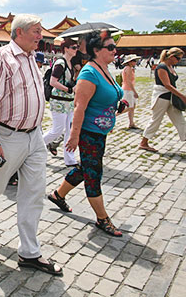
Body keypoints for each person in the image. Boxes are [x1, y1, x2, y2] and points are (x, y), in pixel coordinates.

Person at [0, 14, 63, 276]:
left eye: (41, 31)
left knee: (34, 192)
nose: (41, 36)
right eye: (36, 31)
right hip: (8, 136)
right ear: (19, 33)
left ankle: (29, 252)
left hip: (34, 136)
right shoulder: (1, 57)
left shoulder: (32, 59)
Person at [47, 31, 124, 237]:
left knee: (86, 166)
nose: (115, 50)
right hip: (88, 132)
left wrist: (119, 103)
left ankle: (57, 195)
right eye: (110, 47)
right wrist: (73, 136)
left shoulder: (105, 69)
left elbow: (107, 95)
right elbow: (79, 107)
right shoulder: (89, 73)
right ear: (96, 51)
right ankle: (102, 218)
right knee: (94, 174)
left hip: (101, 130)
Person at [139, 48, 186, 154]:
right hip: (162, 97)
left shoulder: (170, 66)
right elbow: (167, 85)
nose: (179, 61)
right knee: (156, 120)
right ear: (171, 57)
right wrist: (182, 96)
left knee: (180, 121)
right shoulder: (161, 67)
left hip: (171, 98)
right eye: (178, 58)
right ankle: (143, 142)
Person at [43, 38, 79, 167]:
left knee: (69, 131)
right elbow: (53, 82)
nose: (76, 50)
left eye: (76, 47)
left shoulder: (70, 63)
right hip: (58, 101)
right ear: (66, 49)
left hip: (68, 101)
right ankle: (37, 146)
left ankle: (69, 158)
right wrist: (68, 89)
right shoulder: (60, 62)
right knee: (57, 130)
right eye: (74, 47)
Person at [120, 54, 141, 129]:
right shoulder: (128, 68)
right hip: (128, 89)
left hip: (128, 89)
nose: (135, 62)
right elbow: (128, 81)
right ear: (129, 62)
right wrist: (134, 92)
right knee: (129, 106)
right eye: (134, 61)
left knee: (132, 106)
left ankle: (131, 123)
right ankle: (115, 115)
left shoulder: (130, 68)